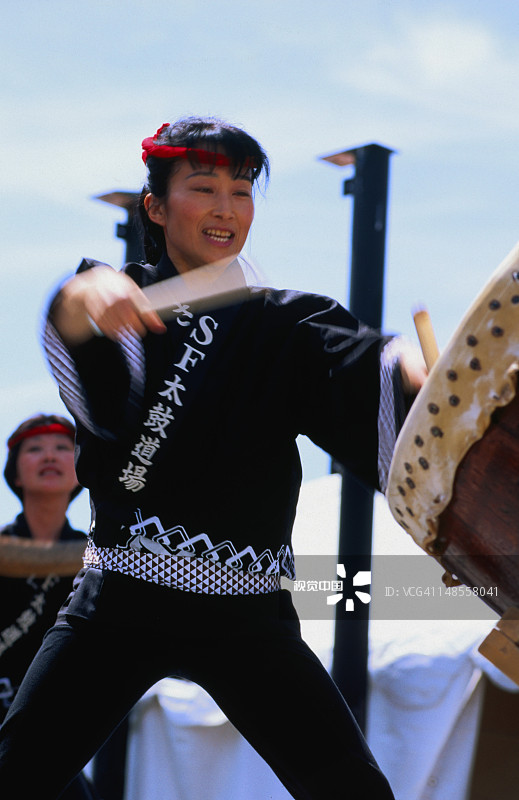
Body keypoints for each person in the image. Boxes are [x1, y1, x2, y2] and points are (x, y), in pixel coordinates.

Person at [0, 117, 426, 799]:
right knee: (18, 775)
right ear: (157, 208)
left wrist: (406, 364)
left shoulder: (285, 322)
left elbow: (357, 360)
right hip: (121, 598)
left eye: (242, 190)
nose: (226, 208)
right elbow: (79, 314)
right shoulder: (122, 294)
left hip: (246, 611)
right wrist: (88, 299)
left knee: (350, 788)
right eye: (203, 188)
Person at [0, 414, 98, 800]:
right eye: (35, 448)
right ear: (15, 474)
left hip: (67, 719)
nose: (50, 456)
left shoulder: (99, 557)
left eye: (63, 448)